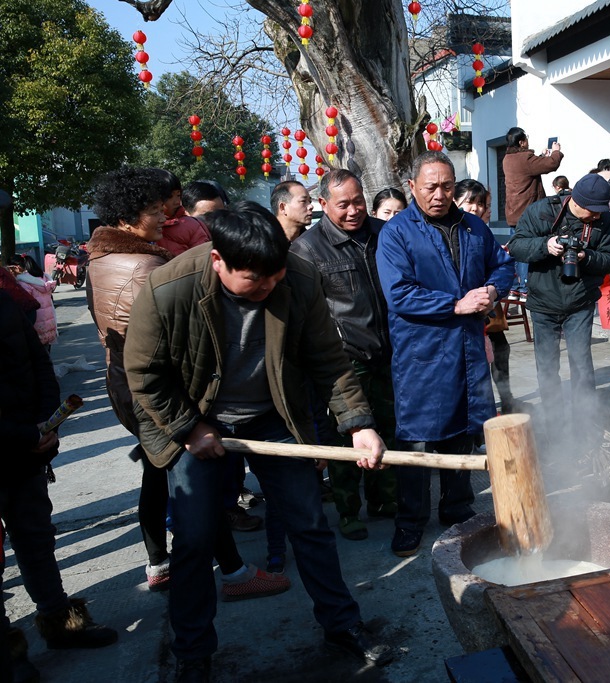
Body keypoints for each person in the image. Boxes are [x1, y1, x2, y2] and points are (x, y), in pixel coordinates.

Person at [124, 202, 393, 679]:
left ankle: (342, 625)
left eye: (275, 275)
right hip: (197, 417)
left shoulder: (298, 281)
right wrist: (191, 429)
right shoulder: (169, 288)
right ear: (217, 261)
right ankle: (192, 653)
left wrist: (358, 424)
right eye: (253, 279)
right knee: (193, 537)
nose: (267, 286)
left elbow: (329, 362)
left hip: (273, 416)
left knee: (309, 524)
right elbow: (144, 374)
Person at [87, 167, 281, 596]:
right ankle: (231, 572)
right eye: (156, 211)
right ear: (129, 215)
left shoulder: (103, 256)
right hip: (158, 391)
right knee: (191, 484)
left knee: (159, 476)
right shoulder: (144, 268)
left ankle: (159, 562)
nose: (165, 218)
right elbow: (168, 345)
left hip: (123, 383)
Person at [376, 152, 514, 558]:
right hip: (423, 352)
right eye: (430, 187)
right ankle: (410, 522)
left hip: (468, 349)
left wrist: (492, 291)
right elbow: (399, 294)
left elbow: (502, 266)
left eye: (447, 186)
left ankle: (458, 511)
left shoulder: (473, 227)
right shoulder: (397, 232)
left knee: (461, 433)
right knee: (417, 442)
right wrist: (456, 305)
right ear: (413, 188)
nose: (439, 195)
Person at [1, 289, 119, 683]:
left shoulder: (4, 301)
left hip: (25, 450)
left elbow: (38, 363)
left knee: (36, 538)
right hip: (16, 439)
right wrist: (22, 433)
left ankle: (60, 622)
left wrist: (49, 422)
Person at [291, 170, 398, 542]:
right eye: (343, 204)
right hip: (343, 361)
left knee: (388, 429)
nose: (354, 211)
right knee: (347, 439)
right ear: (323, 205)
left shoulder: (383, 234)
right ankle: (349, 510)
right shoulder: (305, 249)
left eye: (358, 202)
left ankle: (385, 500)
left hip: (387, 352)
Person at [506, 173, 610, 436]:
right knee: (547, 365)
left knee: (581, 363)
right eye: (595, 211)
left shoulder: (604, 221)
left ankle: (585, 421)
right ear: (578, 202)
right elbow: (517, 246)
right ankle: (554, 421)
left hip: (580, 301)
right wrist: (546, 245)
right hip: (544, 302)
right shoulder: (542, 211)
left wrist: (585, 256)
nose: (599, 216)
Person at [455, 179, 517, 412]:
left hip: (487, 305)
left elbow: (502, 267)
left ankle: (505, 398)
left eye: (482, 204)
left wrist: (492, 288)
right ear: (456, 201)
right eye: (471, 202)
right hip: (461, 309)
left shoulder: (481, 232)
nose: (477, 208)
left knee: (499, 349)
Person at [503, 128, 562, 303]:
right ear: (521, 142)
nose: (528, 141)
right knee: (526, 250)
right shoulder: (525, 159)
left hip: (512, 212)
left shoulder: (507, 159)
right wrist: (556, 151)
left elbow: (531, 167)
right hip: (527, 213)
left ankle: (513, 287)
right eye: (526, 139)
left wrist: (541, 156)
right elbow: (551, 164)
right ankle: (525, 288)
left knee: (514, 248)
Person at [154, 169, 212, 257]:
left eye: (178, 195)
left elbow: (203, 258)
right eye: (170, 196)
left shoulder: (190, 225)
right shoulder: (143, 226)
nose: (177, 201)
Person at [8, 254, 56, 350]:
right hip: (49, 323)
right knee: (46, 354)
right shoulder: (43, 278)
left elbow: (24, 306)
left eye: (10, 268)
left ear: (16, 267)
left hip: (36, 325)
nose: (9, 271)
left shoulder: (23, 283)